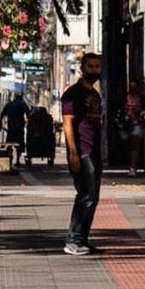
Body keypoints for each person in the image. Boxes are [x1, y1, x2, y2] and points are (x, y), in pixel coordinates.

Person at [59, 52, 106, 255]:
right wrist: (73, 153)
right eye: (90, 66)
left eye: (97, 66)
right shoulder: (72, 94)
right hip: (82, 151)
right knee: (85, 195)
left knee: (93, 197)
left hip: (95, 152)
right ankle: (73, 240)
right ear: (82, 68)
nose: (94, 70)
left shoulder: (94, 95)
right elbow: (68, 124)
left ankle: (82, 239)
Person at [125, 81, 145, 175]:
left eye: (135, 87)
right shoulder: (124, 98)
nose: (133, 89)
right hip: (125, 125)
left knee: (135, 145)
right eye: (131, 87)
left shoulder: (142, 99)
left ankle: (132, 167)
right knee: (128, 145)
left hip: (137, 124)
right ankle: (132, 164)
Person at [2, 91, 29, 168]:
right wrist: (28, 120)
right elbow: (28, 113)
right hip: (19, 128)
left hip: (11, 128)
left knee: (9, 145)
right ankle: (17, 160)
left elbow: (2, 113)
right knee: (19, 145)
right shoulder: (23, 104)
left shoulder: (9, 104)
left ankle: (9, 160)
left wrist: (0, 125)